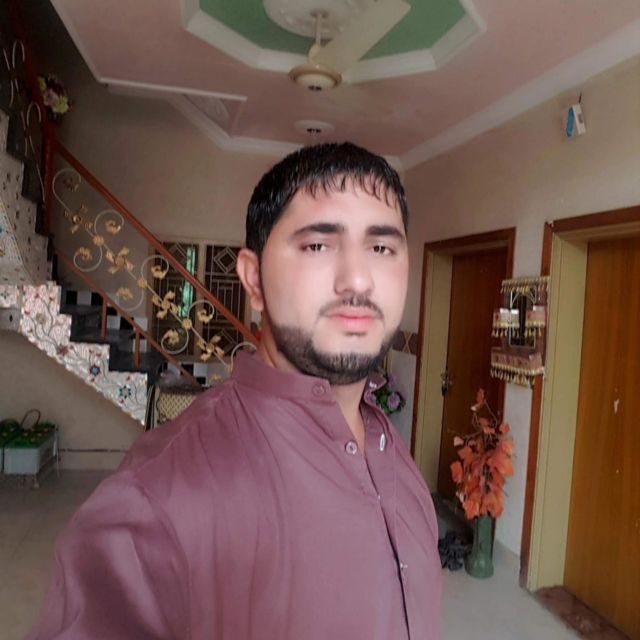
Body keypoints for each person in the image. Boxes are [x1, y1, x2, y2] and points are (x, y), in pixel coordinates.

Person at [29, 142, 441, 639]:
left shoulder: (391, 449)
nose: (358, 279)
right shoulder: (158, 503)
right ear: (253, 279)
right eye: (317, 245)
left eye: (382, 248)